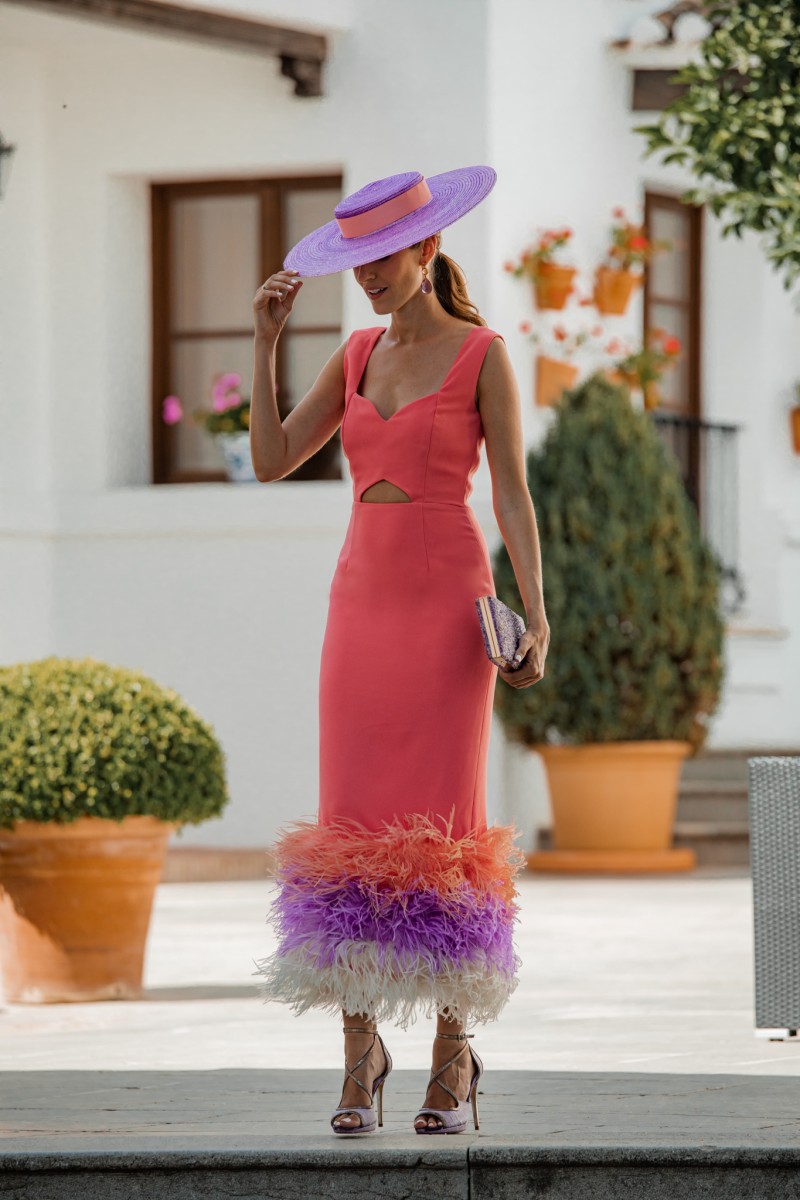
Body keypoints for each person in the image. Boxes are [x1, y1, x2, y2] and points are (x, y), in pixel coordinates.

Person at [251, 167, 550, 1136]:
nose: (371, 275)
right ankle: (358, 1058)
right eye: (358, 262)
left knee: (448, 825)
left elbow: (511, 493)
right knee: (351, 823)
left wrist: (536, 616)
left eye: (384, 256)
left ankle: (453, 1059)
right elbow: (271, 460)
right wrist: (265, 344)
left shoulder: (482, 355)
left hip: (446, 604)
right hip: (360, 603)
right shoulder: (354, 355)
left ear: (427, 249)